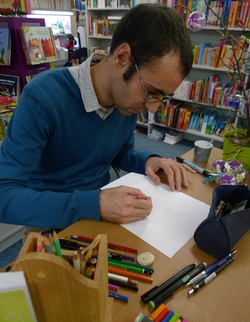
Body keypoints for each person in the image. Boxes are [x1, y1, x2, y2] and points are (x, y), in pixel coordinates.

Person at [0, 4, 195, 229]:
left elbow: (119, 153)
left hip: (103, 212)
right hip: (51, 221)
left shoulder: (126, 102)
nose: (151, 109)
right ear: (122, 57)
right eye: (151, 92)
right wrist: (94, 203)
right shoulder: (43, 97)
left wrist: (149, 161)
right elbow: (4, 195)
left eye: (161, 97)